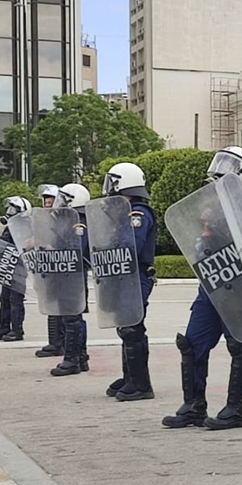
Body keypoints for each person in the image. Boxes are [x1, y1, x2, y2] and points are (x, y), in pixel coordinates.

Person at [162, 147, 242, 430]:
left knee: (239, 344)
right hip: (211, 285)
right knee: (191, 343)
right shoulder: (211, 202)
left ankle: (237, 408)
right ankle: (193, 405)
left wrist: (218, 221)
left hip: (239, 289)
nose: (221, 169)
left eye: (229, 165)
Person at [100, 163, 156, 400]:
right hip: (125, 275)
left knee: (133, 328)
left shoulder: (138, 213)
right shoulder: (125, 213)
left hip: (137, 276)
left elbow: (133, 243)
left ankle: (141, 385)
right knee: (125, 327)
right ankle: (130, 377)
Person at [49, 184, 91, 376]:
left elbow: (76, 250)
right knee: (73, 316)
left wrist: (54, 249)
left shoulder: (78, 223)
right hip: (68, 275)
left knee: (72, 317)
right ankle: (80, 357)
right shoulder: (72, 221)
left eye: (64, 199)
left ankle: (72, 359)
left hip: (73, 276)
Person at [31, 185, 66, 357]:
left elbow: (63, 242)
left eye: (50, 198)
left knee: (61, 307)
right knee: (51, 305)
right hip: (49, 266)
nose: (47, 202)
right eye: (45, 198)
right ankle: (54, 342)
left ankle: (60, 343)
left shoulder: (63, 218)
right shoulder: (46, 218)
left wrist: (46, 245)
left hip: (61, 268)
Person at [0, 196, 31, 342]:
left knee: (15, 299)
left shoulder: (24, 226)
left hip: (18, 268)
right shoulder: (11, 226)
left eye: (13, 208)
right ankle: (5, 327)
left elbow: (19, 246)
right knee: (5, 298)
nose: (9, 210)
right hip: (7, 266)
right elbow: (3, 245)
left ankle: (17, 330)